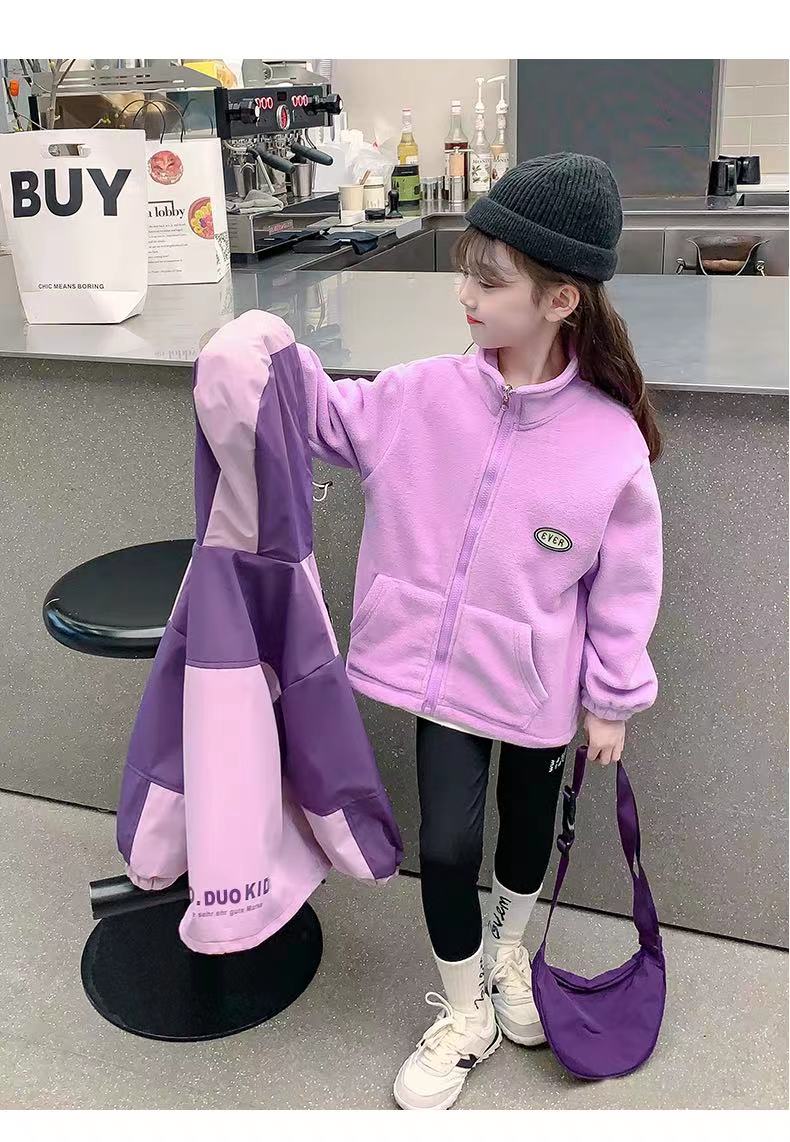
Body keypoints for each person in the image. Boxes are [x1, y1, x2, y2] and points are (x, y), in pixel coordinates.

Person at [207, 152, 664, 1111]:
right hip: (439, 682)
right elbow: (322, 416)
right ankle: (464, 1011)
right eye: (466, 272)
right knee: (449, 849)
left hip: (539, 692)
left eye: (487, 282)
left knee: (526, 840)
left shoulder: (609, 441)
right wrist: (263, 346)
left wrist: (613, 698)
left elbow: (625, 586)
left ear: (560, 301)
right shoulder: (419, 396)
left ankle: (509, 956)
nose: (464, 295)